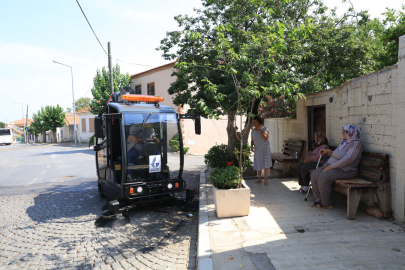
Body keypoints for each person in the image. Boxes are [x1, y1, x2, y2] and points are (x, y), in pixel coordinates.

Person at [310, 124, 363, 209]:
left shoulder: (356, 145)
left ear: (351, 132)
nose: (342, 133)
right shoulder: (345, 142)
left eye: (344, 131)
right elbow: (338, 155)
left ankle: (326, 203)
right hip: (336, 167)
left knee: (324, 176)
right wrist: (329, 152)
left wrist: (331, 167)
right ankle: (318, 198)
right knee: (314, 174)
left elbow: (348, 159)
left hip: (347, 170)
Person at [251, 116, 272, 185]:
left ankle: (265, 179)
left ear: (259, 122)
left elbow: (266, 138)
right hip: (257, 149)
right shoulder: (253, 130)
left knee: (266, 163)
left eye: (255, 122)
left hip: (265, 149)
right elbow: (252, 139)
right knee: (258, 163)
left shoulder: (264, 129)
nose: (253, 124)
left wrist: (260, 130)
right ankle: (259, 178)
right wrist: (251, 146)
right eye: (253, 122)